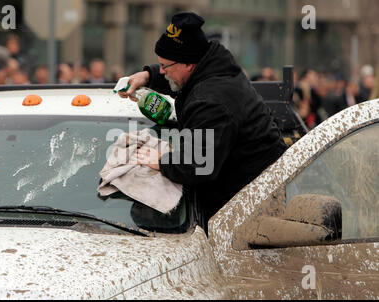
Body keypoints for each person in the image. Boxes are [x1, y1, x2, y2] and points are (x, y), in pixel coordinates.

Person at [118, 12, 288, 232]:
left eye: (164, 66)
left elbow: (198, 165)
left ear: (188, 64)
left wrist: (161, 161)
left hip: (252, 212)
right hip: (244, 194)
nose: (161, 71)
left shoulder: (211, 102)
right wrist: (148, 76)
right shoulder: (213, 67)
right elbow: (179, 79)